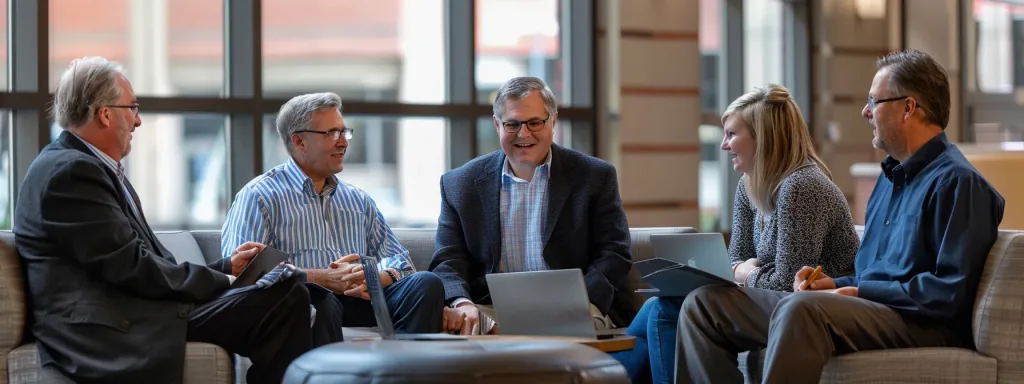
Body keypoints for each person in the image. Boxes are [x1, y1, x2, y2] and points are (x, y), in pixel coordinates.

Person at [675, 49, 1005, 384]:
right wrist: (834, 284)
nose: (865, 111)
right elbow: (869, 274)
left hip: (921, 322)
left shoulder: (959, 183)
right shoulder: (889, 180)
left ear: (908, 107)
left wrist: (859, 293)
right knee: (704, 305)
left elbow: (949, 293)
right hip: (873, 310)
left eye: (874, 102)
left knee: (799, 308)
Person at [13, 56, 344, 384]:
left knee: (311, 294)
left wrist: (227, 267)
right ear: (105, 114)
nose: (138, 122)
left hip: (137, 308)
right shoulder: (71, 172)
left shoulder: (88, 167)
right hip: (113, 325)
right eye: (133, 109)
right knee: (286, 296)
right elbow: (132, 268)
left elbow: (140, 264)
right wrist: (226, 282)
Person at [610, 84, 860, 383]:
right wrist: (741, 269)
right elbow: (735, 260)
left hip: (815, 308)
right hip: (773, 299)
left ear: (763, 138)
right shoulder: (748, 185)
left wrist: (744, 272)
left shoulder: (802, 187)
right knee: (656, 305)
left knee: (667, 309)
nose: (723, 145)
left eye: (732, 134)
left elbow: (786, 281)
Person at [221, 92, 446, 334]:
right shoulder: (259, 196)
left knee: (426, 283)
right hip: (306, 304)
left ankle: (403, 369)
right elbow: (242, 277)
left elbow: (401, 261)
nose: (343, 142)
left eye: (344, 131)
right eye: (331, 133)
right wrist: (322, 278)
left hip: (362, 301)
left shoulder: (358, 199)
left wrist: (378, 277)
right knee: (320, 300)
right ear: (299, 142)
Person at [428, 76, 634, 335]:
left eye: (535, 122)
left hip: (577, 305)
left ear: (553, 122)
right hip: (490, 309)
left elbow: (614, 252)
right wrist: (463, 304)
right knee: (451, 329)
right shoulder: (460, 184)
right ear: (497, 125)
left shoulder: (594, 176)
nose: (524, 134)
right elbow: (448, 260)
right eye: (512, 124)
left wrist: (584, 301)